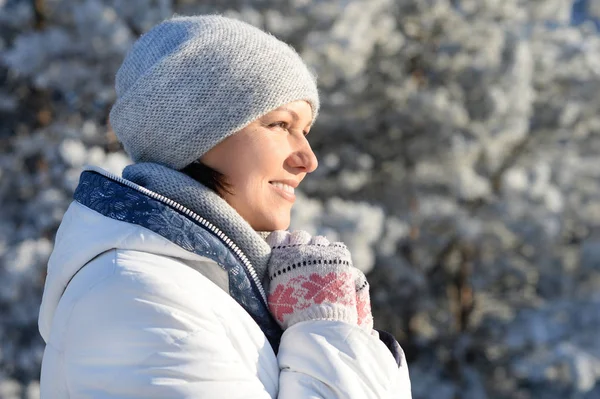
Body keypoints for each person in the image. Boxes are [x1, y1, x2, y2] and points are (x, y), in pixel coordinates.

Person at [38, 15, 412, 398]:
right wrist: (326, 332)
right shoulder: (135, 296)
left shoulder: (201, 288)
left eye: (306, 131)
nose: (308, 159)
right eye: (281, 125)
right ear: (192, 132)